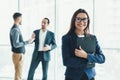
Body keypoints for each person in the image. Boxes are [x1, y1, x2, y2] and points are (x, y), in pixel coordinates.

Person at [62, 9, 105, 80]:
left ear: (88, 21)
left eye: (84, 19)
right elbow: (66, 61)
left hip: (90, 76)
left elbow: (102, 58)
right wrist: (89, 61)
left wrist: (86, 56)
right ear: (74, 20)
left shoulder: (92, 38)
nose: (81, 22)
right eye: (78, 19)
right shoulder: (67, 38)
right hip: (72, 77)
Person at [10, 12, 35, 80]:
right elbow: (16, 44)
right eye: (21, 18)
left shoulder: (16, 28)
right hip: (18, 55)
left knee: (18, 73)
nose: (22, 20)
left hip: (17, 55)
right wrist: (27, 42)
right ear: (18, 19)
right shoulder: (15, 29)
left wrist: (29, 41)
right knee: (18, 75)